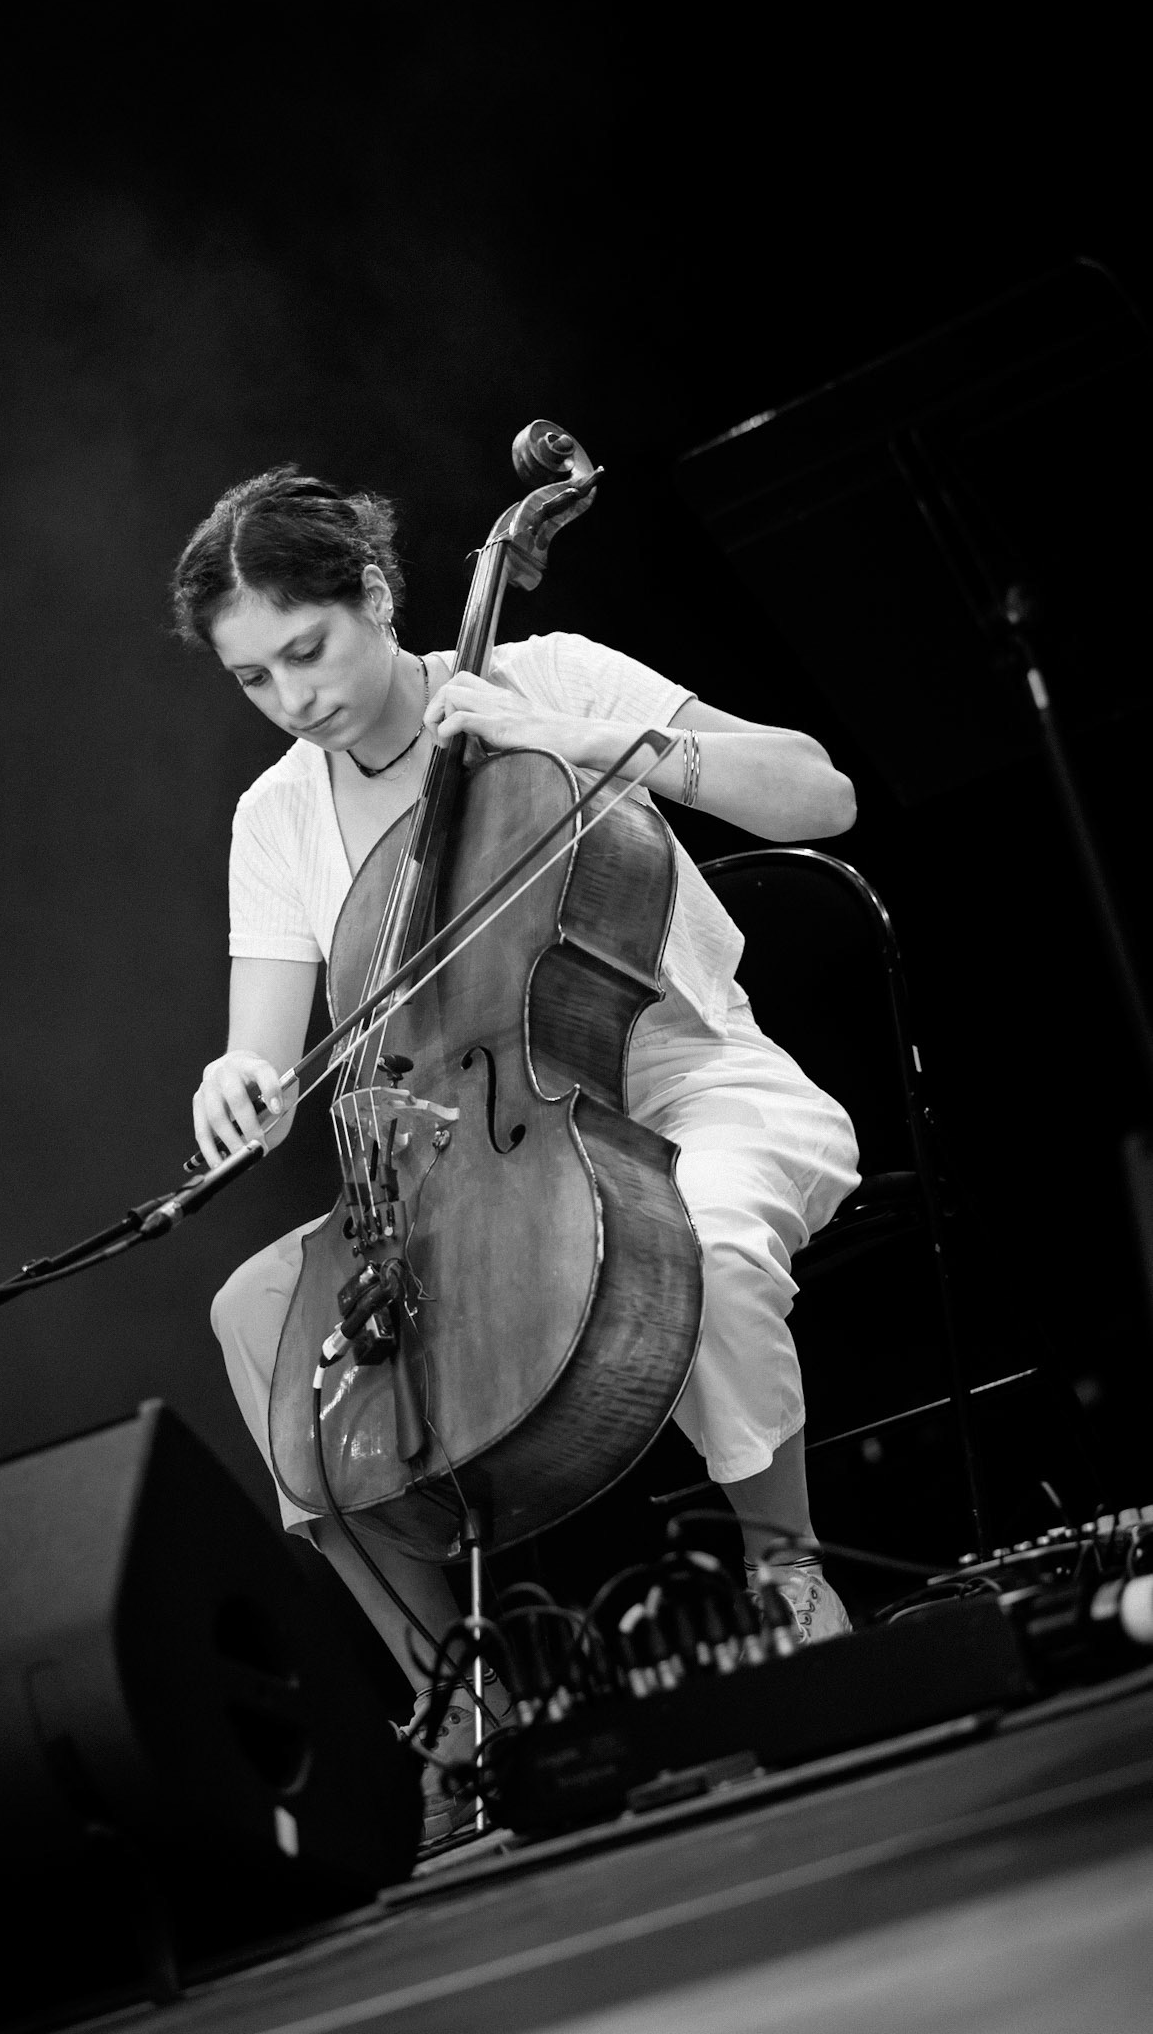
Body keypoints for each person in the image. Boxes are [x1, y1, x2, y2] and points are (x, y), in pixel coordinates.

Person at [173, 466, 861, 1832]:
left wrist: (604, 744)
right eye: (254, 680)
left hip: (680, 1078)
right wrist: (238, 1074)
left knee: (700, 1240)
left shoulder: (549, 677)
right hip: (460, 1141)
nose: (292, 698)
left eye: (304, 651)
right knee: (256, 1317)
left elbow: (817, 795)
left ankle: (788, 1575)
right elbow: (266, 1040)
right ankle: (453, 1705)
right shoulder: (280, 814)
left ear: (373, 595)